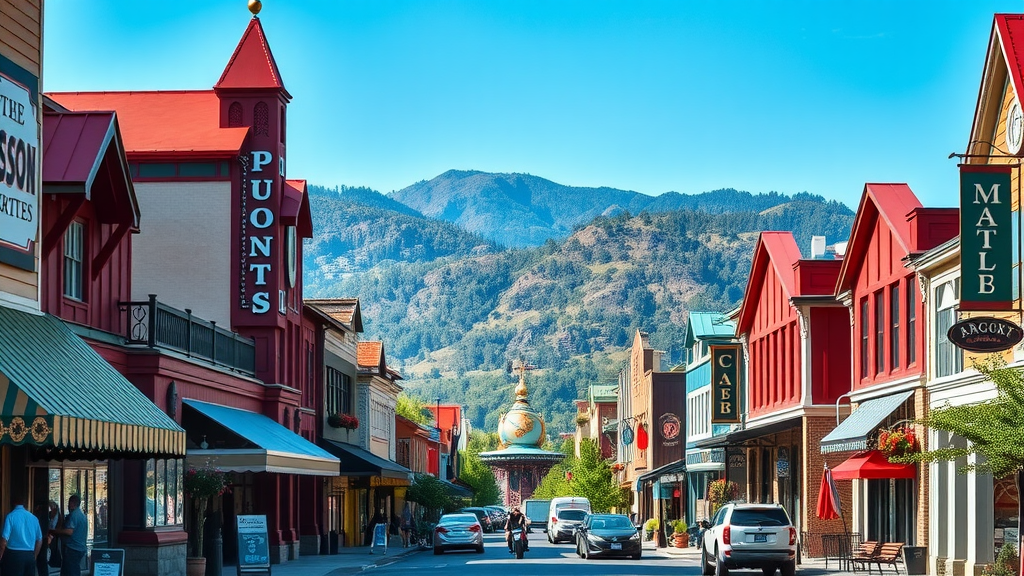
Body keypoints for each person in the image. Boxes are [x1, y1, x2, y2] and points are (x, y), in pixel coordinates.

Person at [0, 497, 43, 576]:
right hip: (29, 555)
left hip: (14, 555)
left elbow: (4, 541)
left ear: (12, 504)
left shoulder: (11, 516)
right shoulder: (34, 518)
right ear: (25, 505)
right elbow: (39, 539)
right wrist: (34, 556)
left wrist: (1, 555)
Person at [50, 494, 86, 576]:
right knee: (73, 570)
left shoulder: (73, 515)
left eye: (69, 503)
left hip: (72, 548)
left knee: (70, 571)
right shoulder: (82, 515)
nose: (68, 505)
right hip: (80, 548)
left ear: (72, 503)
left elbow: (69, 531)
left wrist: (55, 531)